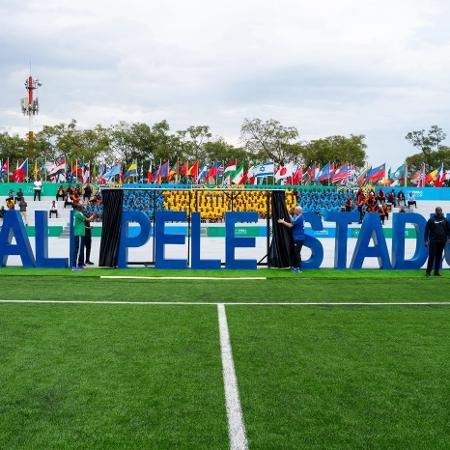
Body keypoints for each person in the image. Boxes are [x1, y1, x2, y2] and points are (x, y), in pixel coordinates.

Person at [277, 205, 305, 273]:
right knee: (295, 253)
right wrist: (289, 215)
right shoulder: (299, 216)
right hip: (298, 238)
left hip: (298, 238)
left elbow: (291, 225)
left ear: (298, 211)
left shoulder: (299, 218)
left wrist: (282, 222)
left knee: (297, 253)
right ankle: (295, 266)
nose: (294, 211)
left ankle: (298, 268)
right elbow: (293, 221)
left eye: (295, 210)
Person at [424, 207, 450, 277]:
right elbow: (426, 231)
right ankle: (428, 272)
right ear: (435, 211)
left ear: (442, 211)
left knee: (439, 256)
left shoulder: (445, 220)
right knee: (431, 256)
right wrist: (426, 240)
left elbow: (448, 230)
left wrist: (449, 238)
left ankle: (436, 272)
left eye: (440, 211)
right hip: (433, 241)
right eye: (438, 211)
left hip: (442, 241)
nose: (439, 212)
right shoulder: (431, 220)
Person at [72, 203, 94, 271]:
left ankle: (80, 264)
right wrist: (94, 214)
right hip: (79, 234)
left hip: (79, 233)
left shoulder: (76, 213)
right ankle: (75, 266)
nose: (83, 209)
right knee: (78, 250)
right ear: (80, 208)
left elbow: (80, 224)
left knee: (80, 250)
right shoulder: (79, 213)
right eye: (82, 208)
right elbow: (88, 219)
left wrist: (88, 227)